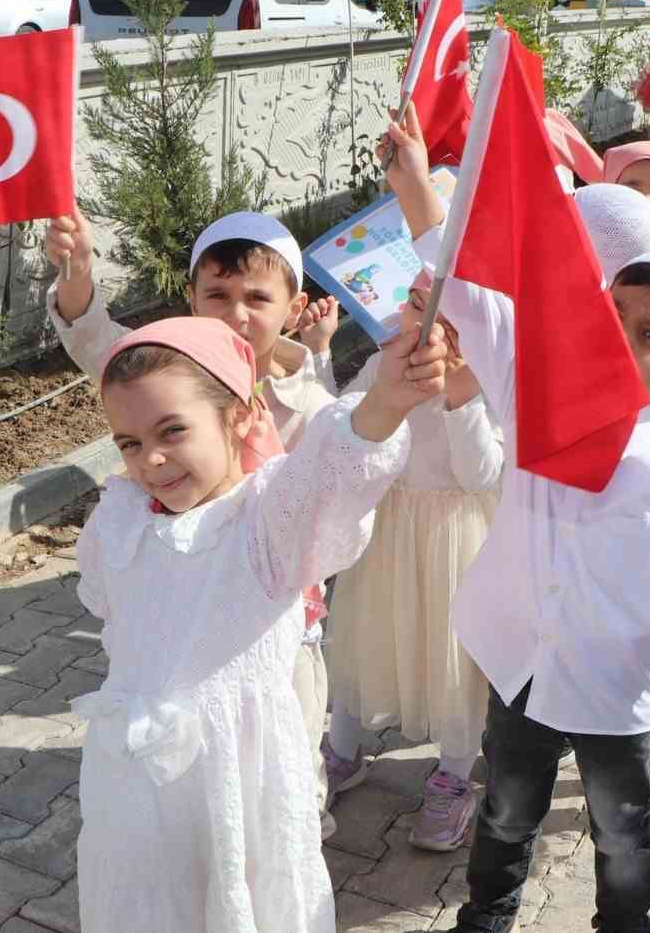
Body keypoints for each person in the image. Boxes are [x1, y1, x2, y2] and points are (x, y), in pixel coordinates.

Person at [385, 105, 650, 933]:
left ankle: (624, 922)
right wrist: (413, 186)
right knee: (506, 812)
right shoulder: (535, 393)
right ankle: (488, 911)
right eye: (612, 314)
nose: (619, 340)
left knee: (622, 831)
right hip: (523, 671)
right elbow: (471, 297)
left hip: (620, 696)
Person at [73, 314, 448, 932]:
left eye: (173, 430)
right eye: (130, 443)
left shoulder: (267, 523)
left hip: (239, 782)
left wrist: (386, 398)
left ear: (242, 416)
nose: (153, 459)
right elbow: (119, 614)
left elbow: (333, 472)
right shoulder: (120, 523)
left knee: (240, 901)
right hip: (138, 780)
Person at [45, 207, 344, 832]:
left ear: (293, 307)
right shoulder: (165, 372)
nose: (236, 312)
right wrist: (76, 280)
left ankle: (294, 831)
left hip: (271, 622)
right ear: (191, 298)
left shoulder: (309, 402)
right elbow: (97, 341)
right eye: (218, 294)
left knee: (284, 743)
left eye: (257, 297)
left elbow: (334, 492)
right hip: (181, 607)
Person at [322, 274, 504, 852]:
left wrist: (461, 396)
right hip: (386, 534)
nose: (429, 326)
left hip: (458, 542)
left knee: (454, 667)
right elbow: (337, 424)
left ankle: (453, 774)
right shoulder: (385, 365)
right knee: (363, 640)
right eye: (419, 306)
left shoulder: (492, 380)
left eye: (451, 317)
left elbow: (480, 474)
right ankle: (342, 751)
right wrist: (320, 352)